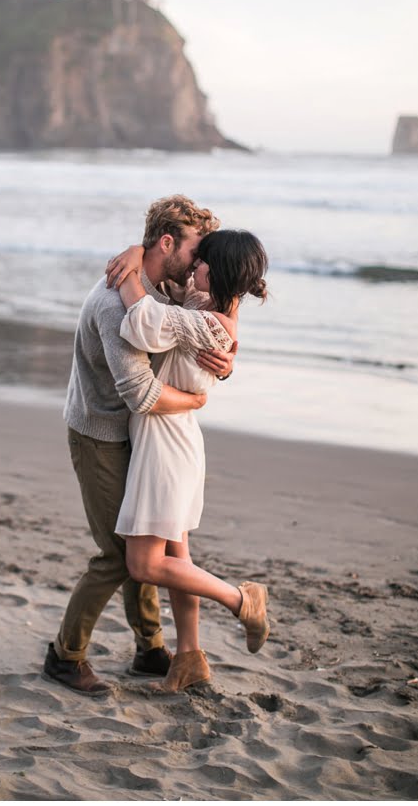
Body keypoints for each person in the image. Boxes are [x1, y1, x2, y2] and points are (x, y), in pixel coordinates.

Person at [43, 195, 234, 697]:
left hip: (135, 434)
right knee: (116, 555)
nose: (199, 265)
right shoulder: (113, 305)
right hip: (100, 434)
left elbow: (208, 311)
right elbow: (142, 394)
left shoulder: (165, 284)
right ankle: (65, 657)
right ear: (167, 244)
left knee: (142, 539)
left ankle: (150, 649)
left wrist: (225, 358)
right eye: (195, 252)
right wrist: (196, 400)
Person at [107, 229, 272, 692]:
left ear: (212, 271)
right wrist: (139, 252)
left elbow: (141, 320)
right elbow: (168, 291)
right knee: (179, 556)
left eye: (200, 260)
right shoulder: (203, 306)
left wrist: (127, 267)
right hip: (172, 442)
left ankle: (242, 600)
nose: (192, 264)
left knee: (144, 565)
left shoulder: (207, 322)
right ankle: (190, 658)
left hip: (166, 449)